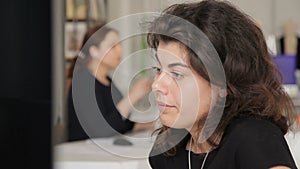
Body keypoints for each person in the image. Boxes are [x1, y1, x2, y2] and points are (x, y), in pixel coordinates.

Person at [147, 1, 299, 169]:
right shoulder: (167, 148)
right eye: (158, 69)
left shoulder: (253, 140)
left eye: (177, 74)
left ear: (223, 85)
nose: (157, 85)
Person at [67, 22, 153, 141]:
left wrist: (150, 125)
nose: (120, 49)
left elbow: (119, 122)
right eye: (113, 46)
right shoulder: (82, 83)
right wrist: (133, 96)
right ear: (94, 51)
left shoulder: (107, 80)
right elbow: (101, 130)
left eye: (120, 44)